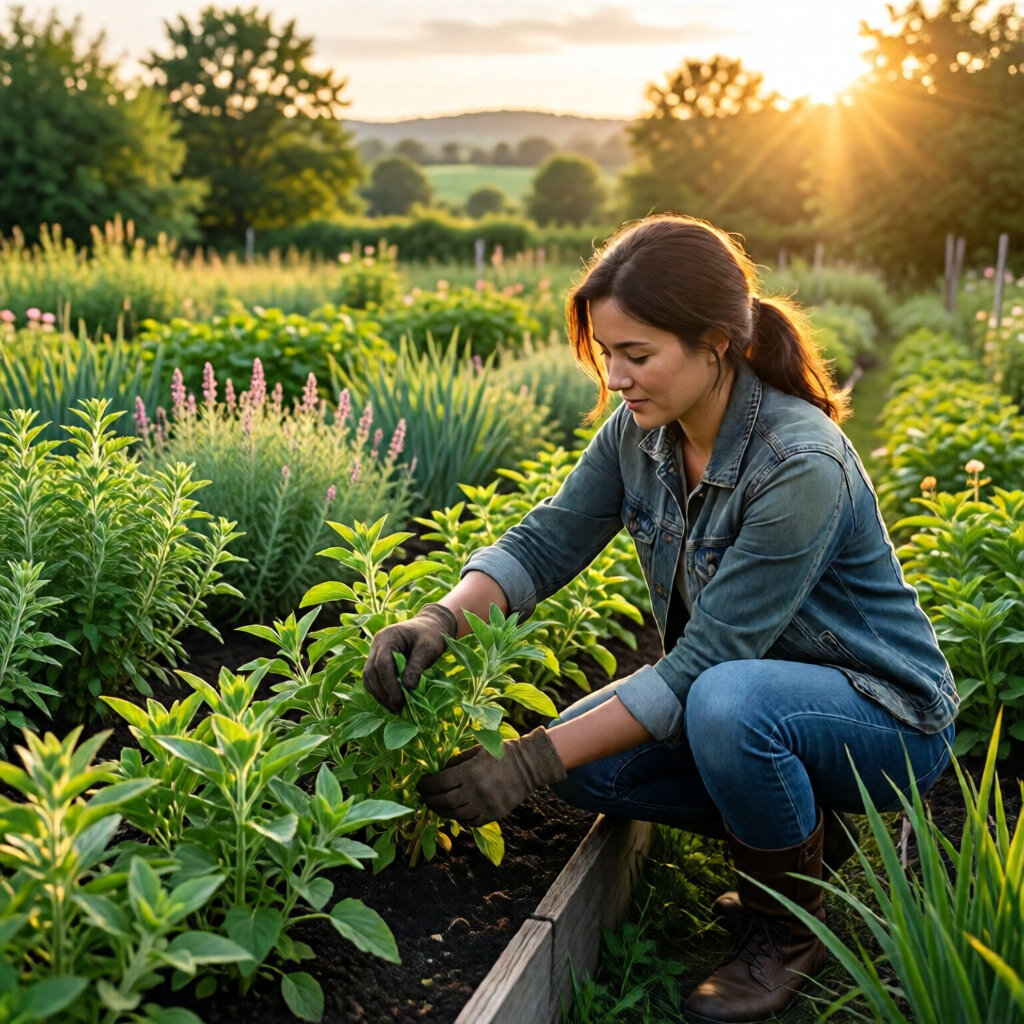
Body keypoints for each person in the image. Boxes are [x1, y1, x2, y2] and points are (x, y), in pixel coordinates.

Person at [360, 215, 957, 1024]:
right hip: (751, 693)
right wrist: (438, 618)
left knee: (721, 704)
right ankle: (804, 837)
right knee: (591, 766)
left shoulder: (798, 464)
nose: (615, 377)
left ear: (715, 345)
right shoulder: (642, 435)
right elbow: (546, 541)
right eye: (608, 353)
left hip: (883, 717)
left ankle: (785, 929)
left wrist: (524, 763)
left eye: (636, 355)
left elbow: (701, 666)